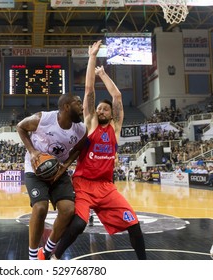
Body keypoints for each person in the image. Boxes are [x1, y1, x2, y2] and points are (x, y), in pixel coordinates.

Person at [51, 40, 146, 260]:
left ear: (112, 114)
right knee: (79, 224)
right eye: (99, 108)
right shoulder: (91, 122)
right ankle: (56, 257)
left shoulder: (115, 127)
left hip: (106, 186)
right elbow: (89, 90)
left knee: (133, 222)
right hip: (84, 184)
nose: (101, 110)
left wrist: (104, 74)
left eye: (105, 109)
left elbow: (118, 97)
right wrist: (92, 57)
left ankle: (144, 265)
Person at [16, 94, 87, 260]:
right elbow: (20, 127)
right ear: (67, 107)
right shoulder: (44, 119)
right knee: (40, 208)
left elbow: (79, 149)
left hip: (58, 169)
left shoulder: (81, 129)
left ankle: (47, 250)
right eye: (78, 103)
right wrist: (33, 151)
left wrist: (66, 165)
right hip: (35, 168)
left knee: (68, 209)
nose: (82, 108)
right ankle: (33, 257)